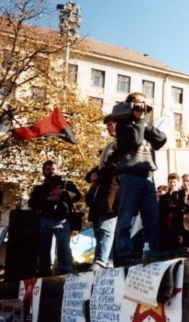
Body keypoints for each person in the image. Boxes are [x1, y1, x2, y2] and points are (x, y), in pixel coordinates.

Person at [113, 92, 166, 266]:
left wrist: (145, 123)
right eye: (138, 104)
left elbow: (161, 139)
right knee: (125, 220)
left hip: (148, 177)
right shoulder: (123, 126)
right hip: (130, 175)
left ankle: (152, 254)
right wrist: (140, 121)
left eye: (144, 104)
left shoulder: (144, 125)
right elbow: (135, 141)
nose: (142, 107)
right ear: (130, 106)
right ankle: (123, 257)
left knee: (152, 220)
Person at [28, 160, 82, 277]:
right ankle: (44, 272)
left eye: (53, 169)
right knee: (43, 248)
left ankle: (66, 270)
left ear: (57, 170)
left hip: (62, 220)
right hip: (45, 220)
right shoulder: (39, 188)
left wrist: (63, 193)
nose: (51, 172)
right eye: (48, 169)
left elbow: (78, 196)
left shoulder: (67, 184)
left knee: (63, 246)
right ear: (43, 171)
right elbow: (32, 203)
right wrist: (48, 199)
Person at [84, 114, 119, 271]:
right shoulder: (109, 147)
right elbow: (99, 169)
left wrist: (99, 173)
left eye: (110, 124)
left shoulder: (123, 145)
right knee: (100, 231)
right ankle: (107, 261)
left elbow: (115, 165)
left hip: (113, 195)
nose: (108, 128)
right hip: (101, 197)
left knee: (106, 229)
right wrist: (92, 175)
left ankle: (101, 260)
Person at [158, 173, 183, 252]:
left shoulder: (182, 194)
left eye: (174, 182)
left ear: (178, 182)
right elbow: (160, 210)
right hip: (166, 224)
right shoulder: (163, 197)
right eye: (171, 182)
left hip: (178, 223)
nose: (172, 184)